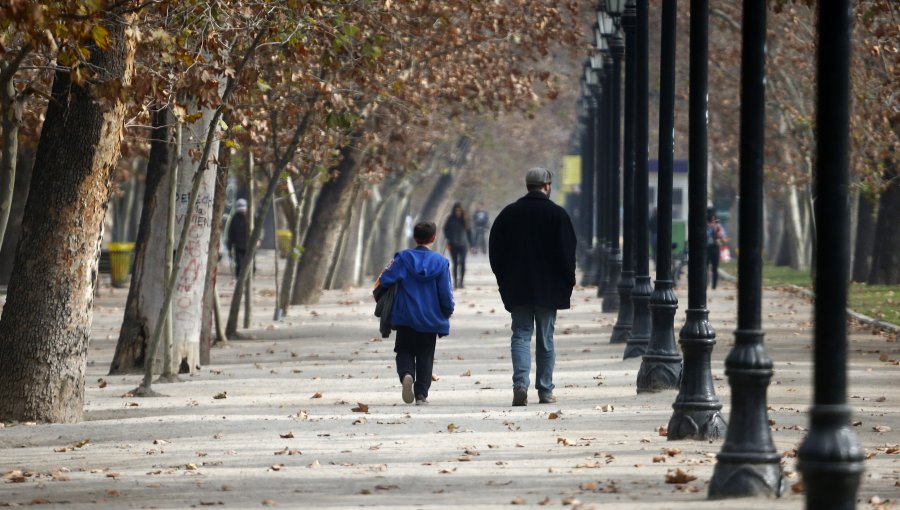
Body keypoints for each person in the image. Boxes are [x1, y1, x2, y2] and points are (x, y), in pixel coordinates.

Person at [489, 168, 576, 406]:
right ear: (546, 186)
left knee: (520, 335)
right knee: (546, 339)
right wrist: (567, 281)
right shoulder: (558, 215)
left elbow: (495, 251)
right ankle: (545, 390)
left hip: (518, 288)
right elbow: (568, 254)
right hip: (549, 289)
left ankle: (520, 384)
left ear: (527, 185)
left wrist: (503, 279)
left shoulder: (509, 214)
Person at [374, 222, 454, 405]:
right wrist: (447, 311)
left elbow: (384, 279)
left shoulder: (402, 258)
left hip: (405, 316)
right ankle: (421, 395)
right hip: (430, 317)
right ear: (433, 238)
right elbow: (446, 293)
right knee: (426, 354)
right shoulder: (441, 263)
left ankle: (406, 374)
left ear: (414, 237)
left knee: (403, 349)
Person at [443, 202, 472, 289]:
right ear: (454, 210)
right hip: (453, 243)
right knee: (455, 263)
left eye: (459, 210)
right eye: (456, 210)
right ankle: (455, 282)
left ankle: (462, 282)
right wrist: (448, 236)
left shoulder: (465, 219)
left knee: (462, 262)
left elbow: (469, 231)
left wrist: (472, 243)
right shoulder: (450, 219)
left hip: (464, 244)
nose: (458, 212)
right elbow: (445, 229)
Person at [226, 198, 249, 278]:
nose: (242, 211)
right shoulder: (234, 218)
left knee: (250, 265)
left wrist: (259, 240)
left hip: (249, 245)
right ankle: (239, 280)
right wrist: (229, 247)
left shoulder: (250, 217)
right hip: (238, 246)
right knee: (239, 264)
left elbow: (259, 229)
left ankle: (248, 279)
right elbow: (230, 233)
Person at [706, 208, 728, 289]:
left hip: (715, 247)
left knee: (715, 268)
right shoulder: (704, 225)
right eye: (712, 217)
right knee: (705, 267)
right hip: (706, 248)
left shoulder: (718, 226)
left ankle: (714, 286)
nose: (713, 219)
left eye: (714, 217)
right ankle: (705, 283)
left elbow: (723, 237)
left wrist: (719, 233)